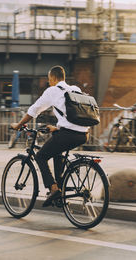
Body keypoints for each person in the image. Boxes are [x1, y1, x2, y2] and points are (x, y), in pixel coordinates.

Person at [11, 66, 89, 207]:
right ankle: (60, 192)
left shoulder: (52, 91)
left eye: (49, 79)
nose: (49, 82)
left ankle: (53, 189)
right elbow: (72, 115)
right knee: (57, 152)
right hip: (83, 134)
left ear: (52, 78)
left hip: (68, 134)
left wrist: (18, 125)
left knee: (41, 156)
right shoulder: (75, 89)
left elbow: (34, 110)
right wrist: (57, 128)